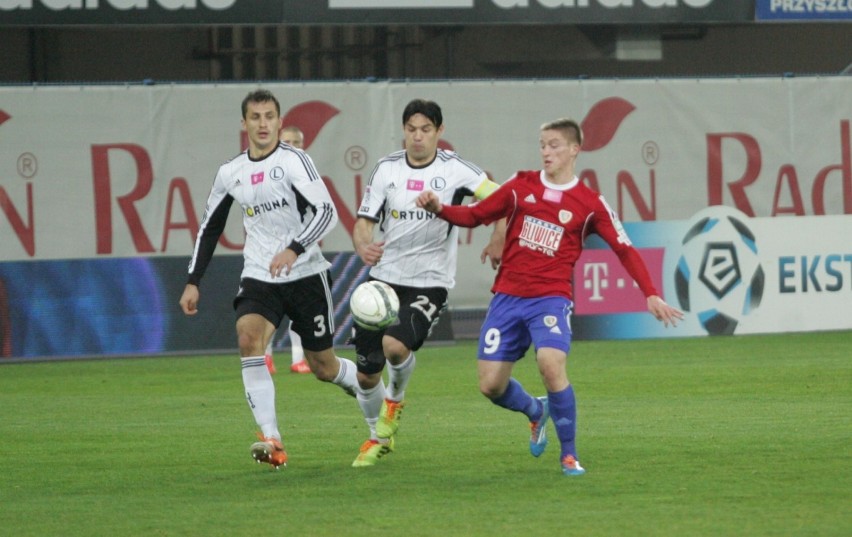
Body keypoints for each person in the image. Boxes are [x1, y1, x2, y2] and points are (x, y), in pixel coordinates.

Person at [416, 118, 683, 476]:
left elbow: (624, 248)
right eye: (542, 144)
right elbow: (476, 214)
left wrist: (650, 293)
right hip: (508, 297)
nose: (546, 151)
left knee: (550, 364)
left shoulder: (590, 203)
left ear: (575, 149)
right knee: (490, 385)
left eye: (554, 145)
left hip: (551, 299)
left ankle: (569, 455)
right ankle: (534, 411)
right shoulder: (520, 185)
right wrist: (440, 209)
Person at [179, 89, 359, 469]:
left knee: (323, 366)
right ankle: (271, 438)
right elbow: (209, 228)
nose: (263, 124)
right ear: (243, 124)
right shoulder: (231, 172)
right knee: (248, 337)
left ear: (279, 121)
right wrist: (194, 279)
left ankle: (366, 385)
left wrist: (294, 249)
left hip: (305, 272)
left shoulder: (295, 162)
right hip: (260, 273)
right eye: (255, 117)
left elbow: (325, 212)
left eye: (269, 116)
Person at [350, 98, 504, 467]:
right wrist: (362, 246)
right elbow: (364, 222)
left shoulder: (455, 170)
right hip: (383, 279)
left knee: (395, 347)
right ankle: (377, 438)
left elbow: (503, 198)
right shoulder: (386, 169)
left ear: (439, 131)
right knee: (366, 374)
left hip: (429, 282)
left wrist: (498, 237)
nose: (418, 137)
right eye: (411, 129)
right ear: (403, 131)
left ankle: (396, 402)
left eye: (426, 130)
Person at [263, 125, 310, 375]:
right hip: (270, 249)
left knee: (299, 308)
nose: (293, 146)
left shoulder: (307, 176)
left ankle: (298, 359)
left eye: (297, 142)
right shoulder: (267, 174)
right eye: (287, 142)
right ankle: (266, 356)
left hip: (298, 250)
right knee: (270, 307)